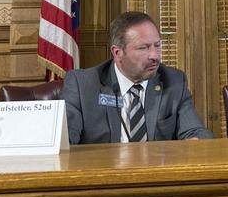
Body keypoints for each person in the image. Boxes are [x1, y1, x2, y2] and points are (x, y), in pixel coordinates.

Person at [63, 11, 213, 144]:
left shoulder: (174, 81)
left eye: (157, 45)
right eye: (143, 48)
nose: (154, 55)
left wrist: (195, 143)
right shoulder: (82, 85)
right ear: (117, 53)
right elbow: (65, 140)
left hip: (156, 172)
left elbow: (195, 132)